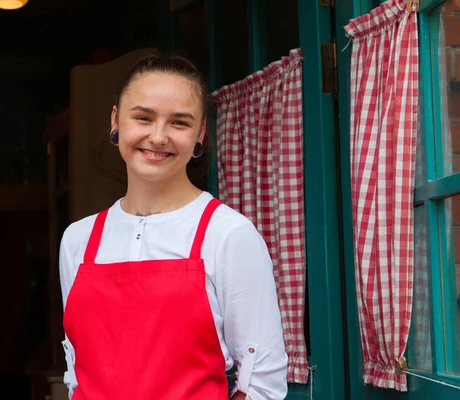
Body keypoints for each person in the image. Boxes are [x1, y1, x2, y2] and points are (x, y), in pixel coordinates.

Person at [59, 51, 288, 400]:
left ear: (200, 133)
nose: (159, 137)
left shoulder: (228, 234)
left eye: (179, 123)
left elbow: (261, 385)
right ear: (116, 121)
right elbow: (77, 374)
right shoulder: (78, 239)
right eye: (144, 118)